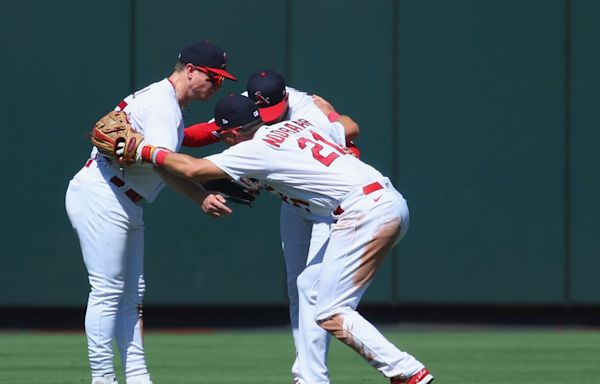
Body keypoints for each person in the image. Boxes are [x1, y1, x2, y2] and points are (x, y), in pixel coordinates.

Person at [133, 94, 435, 384]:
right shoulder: (297, 125)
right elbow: (347, 127)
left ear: (234, 133)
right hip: (387, 200)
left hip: (362, 213)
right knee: (309, 286)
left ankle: (407, 372)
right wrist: (330, 113)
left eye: (224, 134)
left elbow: (193, 169)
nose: (223, 139)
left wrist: (144, 150)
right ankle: (311, 377)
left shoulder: (251, 150)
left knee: (332, 310)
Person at [65, 40, 236, 384]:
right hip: (104, 194)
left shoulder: (168, 103)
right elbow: (167, 167)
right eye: (213, 77)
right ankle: (103, 379)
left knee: (131, 294)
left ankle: (138, 376)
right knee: (107, 290)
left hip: (123, 198)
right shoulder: (163, 105)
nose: (216, 86)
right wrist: (202, 193)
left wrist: (201, 195)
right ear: (190, 70)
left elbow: (166, 160)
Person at [183, 69, 360, 383]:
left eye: (272, 110)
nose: (267, 116)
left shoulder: (305, 109)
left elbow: (349, 131)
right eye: (260, 110)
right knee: (296, 286)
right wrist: (168, 135)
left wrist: (332, 114)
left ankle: (312, 376)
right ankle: (305, 369)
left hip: (324, 205)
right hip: (294, 203)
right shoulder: (248, 108)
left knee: (312, 289)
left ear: (286, 98)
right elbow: (208, 133)